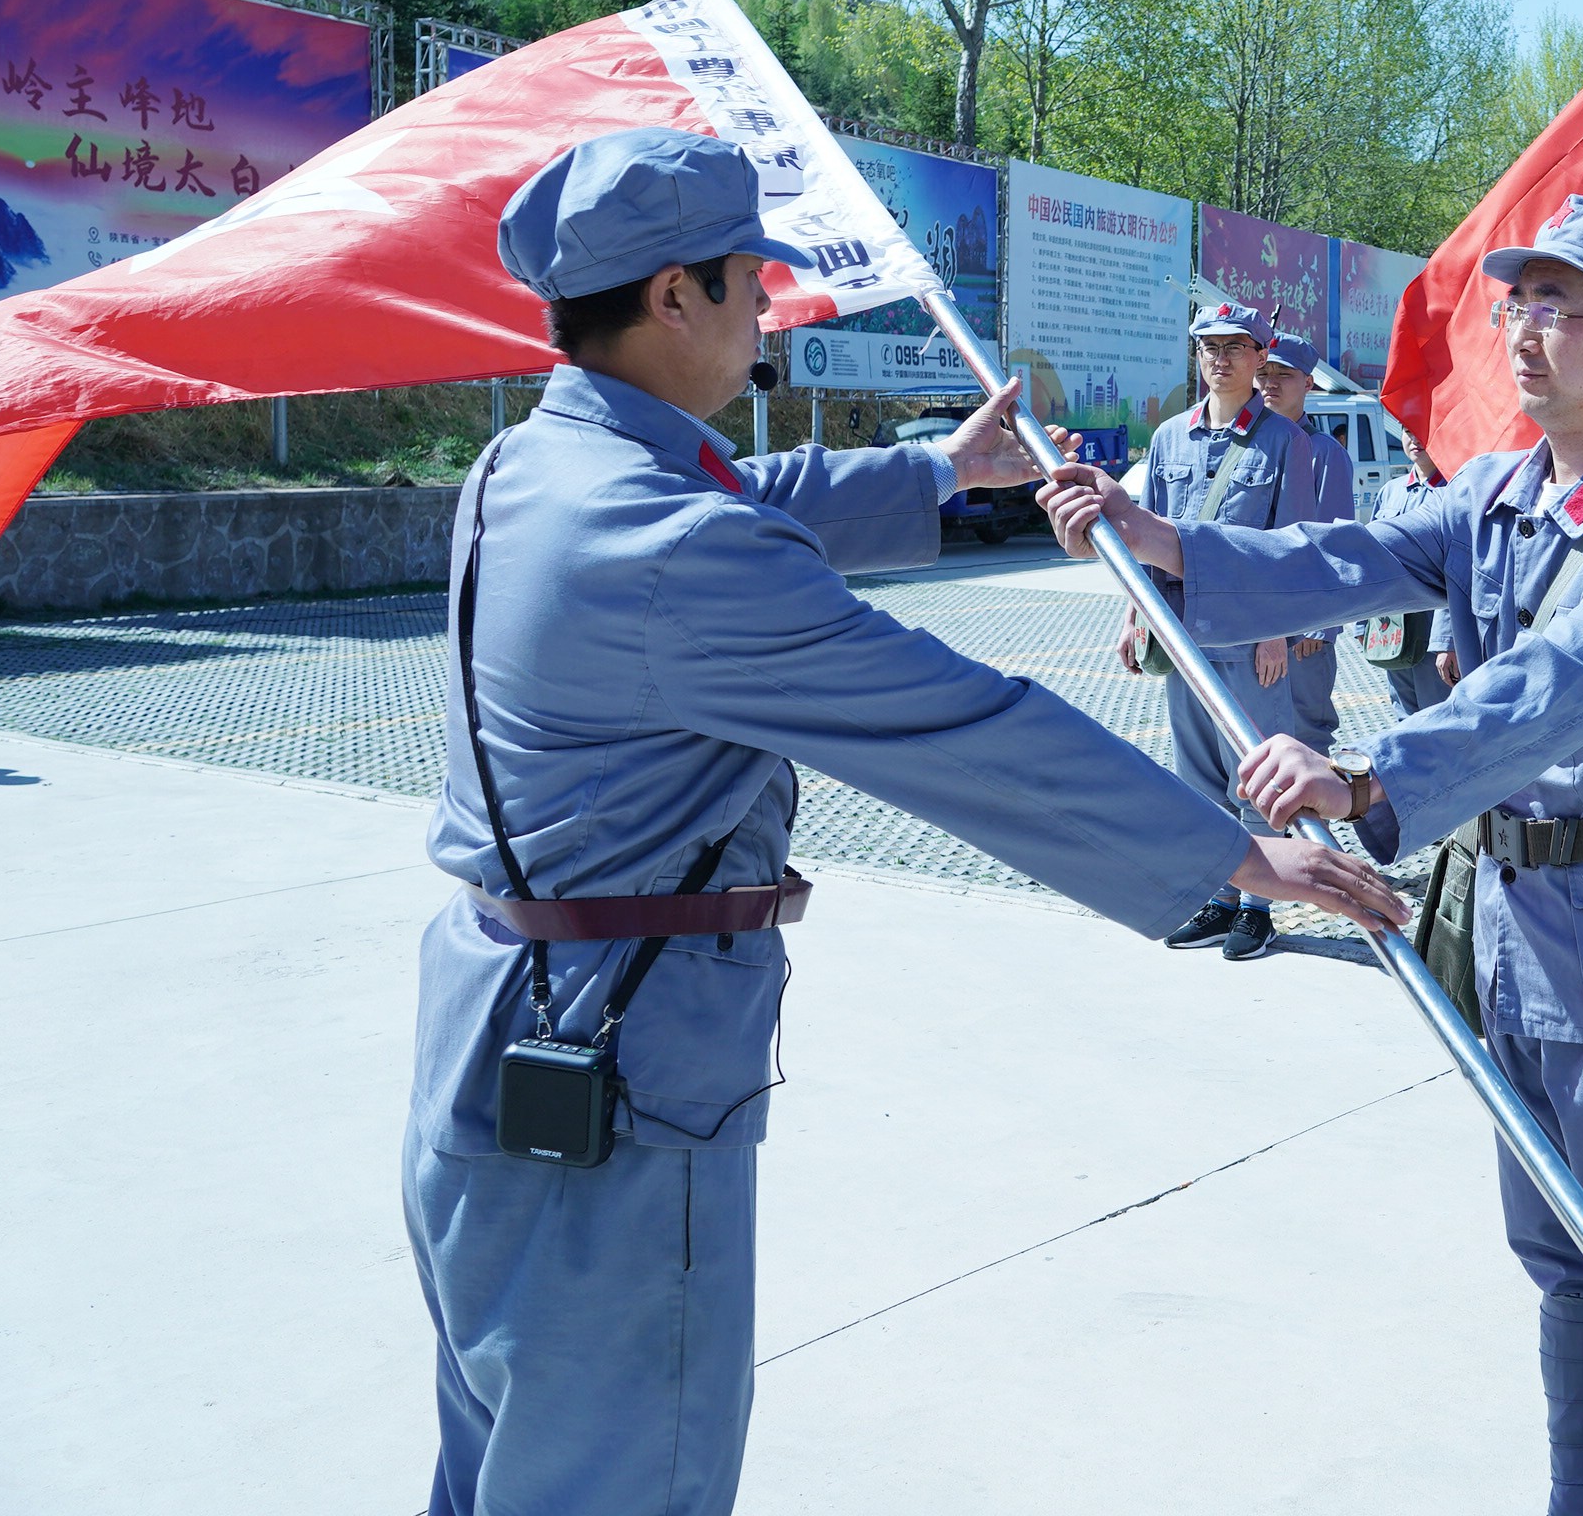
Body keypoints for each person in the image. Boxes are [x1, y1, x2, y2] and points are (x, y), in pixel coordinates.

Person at [410, 128, 1399, 1516]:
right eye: (747, 278)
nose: (768, 304)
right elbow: (964, 725)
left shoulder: (527, 468)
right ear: (673, 300)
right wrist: (1234, 852)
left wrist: (941, 471)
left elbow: (749, 499)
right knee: (619, 1475)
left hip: (491, 1035)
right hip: (620, 1081)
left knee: (499, 1463)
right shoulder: (676, 547)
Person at [1038, 195, 1583, 1516]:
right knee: (1565, 1263)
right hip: (1512, 926)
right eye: (1519, 305)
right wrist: (1165, 543)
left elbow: (1553, 684)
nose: (1526, 333)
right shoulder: (1494, 495)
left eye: (1561, 310)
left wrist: (1377, 777)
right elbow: (1348, 554)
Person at [1145, 302, 1309, 962]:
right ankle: (1220, 894)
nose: (1220, 358)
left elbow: (1296, 547)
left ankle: (1259, 906)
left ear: (1259, 357)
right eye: (1209, 346)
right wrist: (1138, 615)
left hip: (1249, 636)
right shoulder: (1167, 440)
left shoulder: (1282, 440)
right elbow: (1144, 536)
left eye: (1235, 347)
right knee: (1197, 776)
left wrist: (1279, 633)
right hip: (1182, 635)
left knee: (1258, 774)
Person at [1258, 331, 1357, 759]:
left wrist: (1321, 624)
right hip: (1253, 622)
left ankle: (1310, 826)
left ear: (1309, 384)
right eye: (1262, 374)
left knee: (1305, 736)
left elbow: (1333, 543)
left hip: (1302, 630)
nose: (1270, 385)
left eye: (1284, 375)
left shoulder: (1324, 453)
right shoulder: (1250, 446)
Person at [1364, 431, 1460, 718]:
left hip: (1434, 626)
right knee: (1403, 715)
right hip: (1393, 627)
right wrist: (1362, 623)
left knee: (1439, 718)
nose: (1415, 438)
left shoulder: (1455, 491)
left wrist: (1447, 640)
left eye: (1423, 429)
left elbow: (1457, 569)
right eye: (1407, 430)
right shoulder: (1391, 491)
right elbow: (1370, 557)